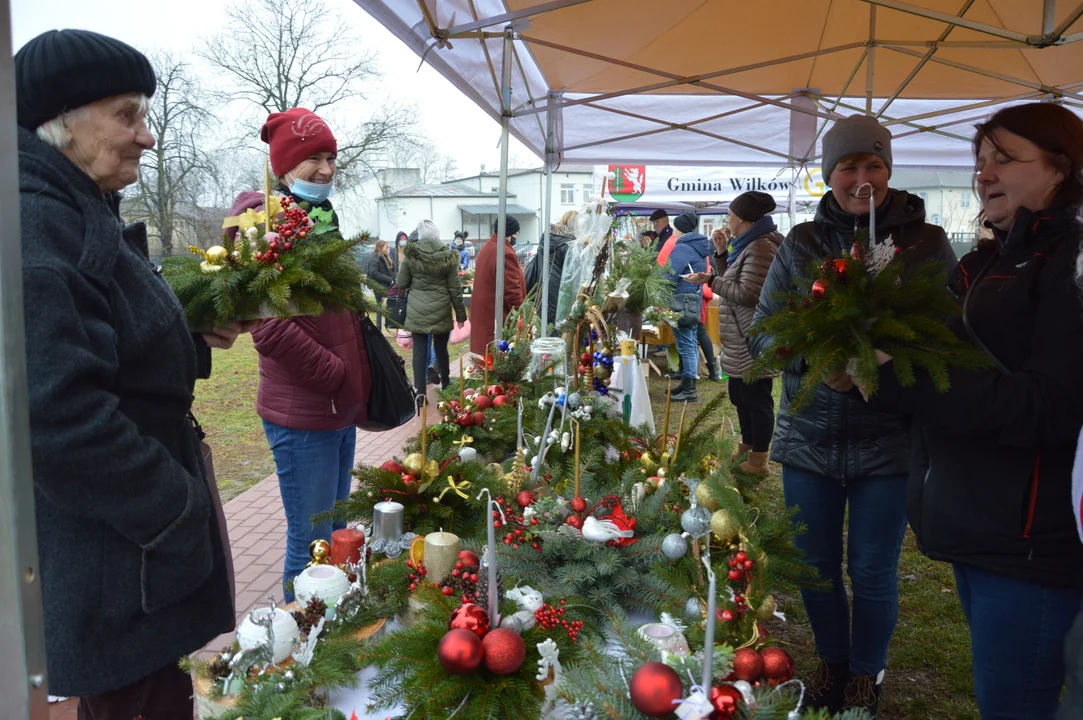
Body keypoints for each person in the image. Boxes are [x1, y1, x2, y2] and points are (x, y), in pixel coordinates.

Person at [16, 29, 251, 717]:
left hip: (130, 557)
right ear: (61, 123)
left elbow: (109, 345)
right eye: (127, 114)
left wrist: (189, 340)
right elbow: (57, 418)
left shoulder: (77, 208)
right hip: (116, 556)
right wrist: (175, 511)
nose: (147, 137)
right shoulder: (38, 226)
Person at [862, 103, 1083, 719]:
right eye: (979, 160)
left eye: (1005, 159)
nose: (984, 174)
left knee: (1015, 705)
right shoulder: (989, 257)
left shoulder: (1069, 264)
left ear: (1062, 169)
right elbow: (940, 365)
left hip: (1029, 540)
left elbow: (1050, 407)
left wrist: (903, 376)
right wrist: (870, 368)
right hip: (973, 522)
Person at [749, 114, 956, 715]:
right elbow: (764, 334)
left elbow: (946, 334)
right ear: (829, 174)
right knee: (814, 568)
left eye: (873, 165)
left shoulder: (926, 243)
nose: (861, 179)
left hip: (888, 442)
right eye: (848, 167)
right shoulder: (802, 244)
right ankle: (833, 662)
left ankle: (867, 673)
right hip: (809, 435)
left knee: (872, 569)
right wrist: (821, 355)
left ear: (889, 170)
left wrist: (885, 361)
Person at [229, 107, 372, 603]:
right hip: (305, 411)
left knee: (337, 532)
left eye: (332, 158)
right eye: (315, 158)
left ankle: (335, 633)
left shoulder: (321, 221)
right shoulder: (262, 225)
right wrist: (335, 374)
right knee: (309, 542)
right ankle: (301, 651)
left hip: (337, 409)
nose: (328, 170)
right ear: (285, 164)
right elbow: (268, 330)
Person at [693, 191, 782, 474]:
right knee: (740, 396)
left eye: (730, 216)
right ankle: (747, 448)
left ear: (742, 219)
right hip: (741, 337)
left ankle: (759, 460)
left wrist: (711, 280)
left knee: (757, 400)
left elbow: (748, 293)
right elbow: (735, 278)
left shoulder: (761, 248)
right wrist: (720, 254)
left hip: (752, 338)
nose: (727, 221)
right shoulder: (748, 244)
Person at [397, 219, 467, 398]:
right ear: (437, 235)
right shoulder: (448, 255)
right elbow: (454, 289)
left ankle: (420, 393)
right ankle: (445, 383)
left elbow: (402, 282)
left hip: (417, 310)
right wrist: (460, 315)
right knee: (441, 348)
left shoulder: (411, 255)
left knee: (419, 352)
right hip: (441, 309)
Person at [665, 212, 710, 402]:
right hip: (693, 299)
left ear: (679, 229)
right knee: (690, 342)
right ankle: (686, 382)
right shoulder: (698, 246)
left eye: (674, 228)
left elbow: (670, 274)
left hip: (681, 301)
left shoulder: (682, 248)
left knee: (685, 344)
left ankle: (690, 389)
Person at [470, 215, 526, 357]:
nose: (517, 237)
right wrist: (522, 313)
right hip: (499, 317)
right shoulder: (504, 252)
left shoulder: (488, 247)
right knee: (498, 362)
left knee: (488, 361)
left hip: (487, 314)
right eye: (516, 233)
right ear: (509, 234)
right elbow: (511, 290)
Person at [525, 210, 577, 326]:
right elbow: (573, 273)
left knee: (545, 323)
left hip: (542, 287)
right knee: (558, 325)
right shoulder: (568, 244)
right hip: (559, 290)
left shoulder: (548, 238)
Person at [366, 239, 397, 331]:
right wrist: (389, 280)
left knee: (386, 306)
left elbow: (392, 270)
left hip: (387, 285)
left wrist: (394, 279)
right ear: (381, 247)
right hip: (379, 286)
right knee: (381, 306)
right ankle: (380, 328)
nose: (388, 248)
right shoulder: (374, 257)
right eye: (386, 247)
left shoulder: (386, 256)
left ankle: (386, 327)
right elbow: (373, 273)